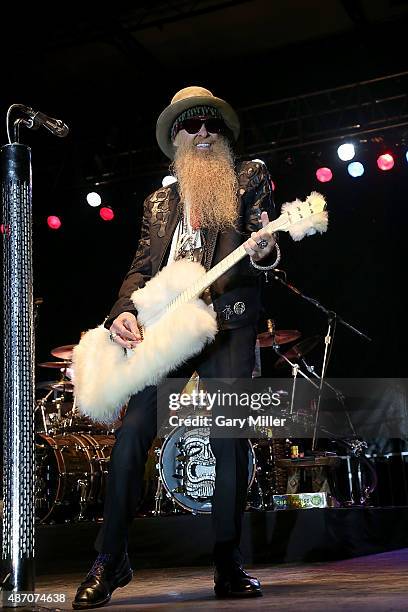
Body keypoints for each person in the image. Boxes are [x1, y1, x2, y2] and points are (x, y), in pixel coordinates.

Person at [72, 86, 280, 609]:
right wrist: (122, 310)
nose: (203, 132)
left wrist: (266, 249)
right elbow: (141, 267)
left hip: (225, 323)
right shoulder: (158, 202)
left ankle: (228, 562)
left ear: (223, 132)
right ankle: (109, 558)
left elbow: (264, 242)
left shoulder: (248, 176)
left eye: (211, 124)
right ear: (176, 138)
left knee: (228, 437)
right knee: (132, 432)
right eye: (192, 125)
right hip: (167, 328)